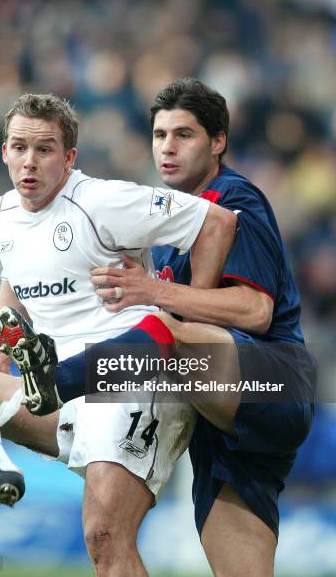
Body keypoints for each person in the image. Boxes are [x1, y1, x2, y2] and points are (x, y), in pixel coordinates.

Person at [0, 93, 236, 576]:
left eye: (45, 149)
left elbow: (217, 222)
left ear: (69, 157)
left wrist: (188, 316)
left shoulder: (103, 201)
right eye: (19, 147)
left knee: (104, 536)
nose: (30, 161)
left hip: (131, 382)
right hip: (57, 389)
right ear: (3, 152)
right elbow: (15, 284)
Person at [90, 78, 316, 577]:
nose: (167, 147)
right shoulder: (171, 229)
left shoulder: (233, 199)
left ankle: (63, 382)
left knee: (147, 338)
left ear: (218, 142)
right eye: (159, 135)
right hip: (220, 424)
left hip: (267, 380)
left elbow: (256, 310)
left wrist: (152, 292)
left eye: (184, 135)